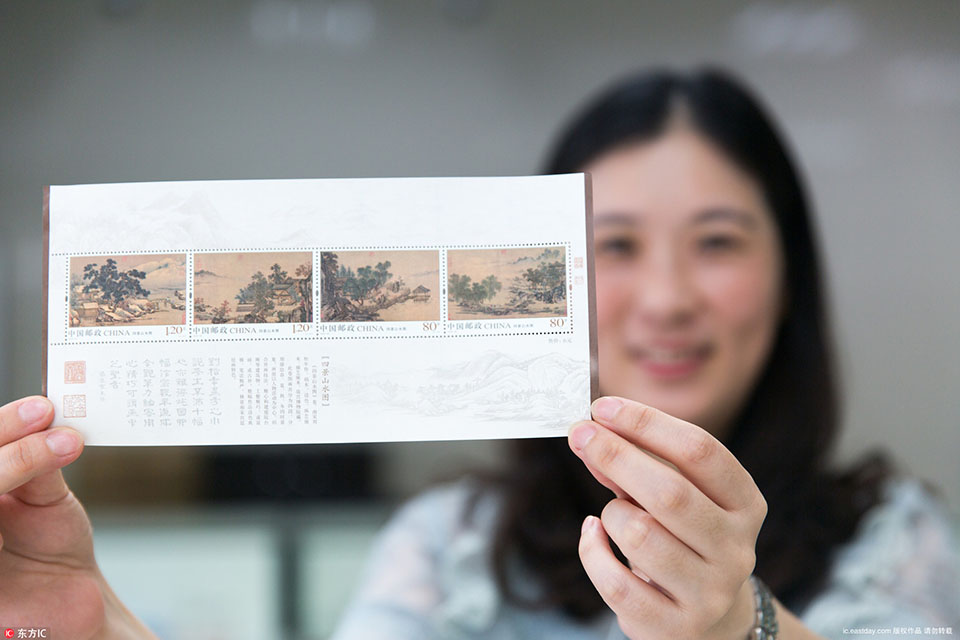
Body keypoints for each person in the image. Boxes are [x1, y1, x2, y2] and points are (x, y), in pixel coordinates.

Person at [0, 68, 956, 639]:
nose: (667, 297)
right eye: (616, 245)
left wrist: (745, 627)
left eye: (717, 242)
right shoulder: (448, 543)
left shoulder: (893, 536)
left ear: (789, 279)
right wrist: (95, 625)